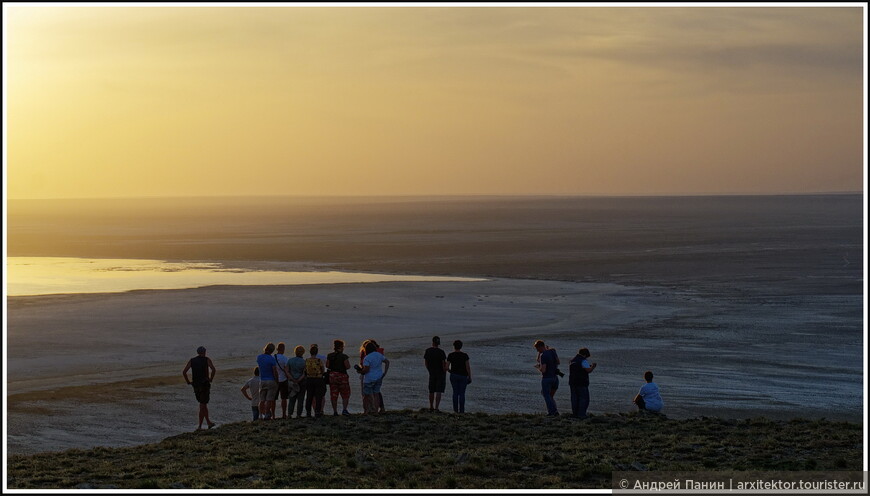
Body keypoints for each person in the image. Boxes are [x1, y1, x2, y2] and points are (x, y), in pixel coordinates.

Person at [182, 345, 217, 430]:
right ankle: (200, 426)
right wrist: (211, 379)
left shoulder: (192, 360)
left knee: (203, 404)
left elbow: (184, 372)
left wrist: (188, 382)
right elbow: (213, 369)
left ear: (197, 352)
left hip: (196, 385)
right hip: (204, 384)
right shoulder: (206, 359)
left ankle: (208, 423)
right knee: (202, 404)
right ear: (204, 352)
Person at [360, 341, 390, 414]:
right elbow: (387, 362)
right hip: (379, 377)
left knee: (366, 395)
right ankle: (375, 410)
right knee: (376, 394)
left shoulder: (367, 358)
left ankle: (366, 411)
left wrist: (361, 371)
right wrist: (385, 372)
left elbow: (367, 369)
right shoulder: (379, 355)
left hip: (369, 379)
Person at [533, 340, 560, 416]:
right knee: (550, 396)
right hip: (555, 378)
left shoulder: (544, 355)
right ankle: (555, 410)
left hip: (547, 378)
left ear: (540, 347)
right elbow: (558, 362)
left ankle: (552, 412)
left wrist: (539, 368)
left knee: (546, 395)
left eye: (537, 349)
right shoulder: (552, 352)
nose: (537, 350)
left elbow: (543, 370)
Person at [569, 348, 596, 419]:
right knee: (583, 399)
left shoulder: (572, 360)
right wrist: (593, 366)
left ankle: (575, 413)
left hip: (573, 382)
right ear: (585, 355)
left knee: (574, 399)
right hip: (582, 382)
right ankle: (581, 414)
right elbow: (588, 370)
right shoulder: (583, 361)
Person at [327, 339, 352, 416]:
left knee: (334, 394)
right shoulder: (344, 356)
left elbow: (327, 366)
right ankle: (344, 410)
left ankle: (335, 411)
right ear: (341, 347)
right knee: (345, 393)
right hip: (342, 376)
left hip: (332, 376)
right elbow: (348, 366)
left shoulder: (330, 355)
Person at [423, 336, 448, 412]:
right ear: (438, 343)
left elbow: (426, 362)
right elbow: (443, 364)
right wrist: (445, 370)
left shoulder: (428, 351)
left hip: (432, 372)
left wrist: (429, 370)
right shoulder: (441, 352)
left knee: (431, 390)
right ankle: (436, 407)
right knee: (438, 391)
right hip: (440, 373)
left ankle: (431, 406)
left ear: (432, 342)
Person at [446, 340, 472, 414]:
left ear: (454, 346)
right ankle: (462, 411)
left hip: (454, 375)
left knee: (455, 393)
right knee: (462, 393)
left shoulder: (451, 355)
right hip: (463, 376)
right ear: (461, 346)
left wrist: (451, 371)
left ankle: (455, 410)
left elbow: (446, 367)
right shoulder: (465, 355)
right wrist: (469, 377)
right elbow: (468, 367)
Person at [256, 342, 280, 420]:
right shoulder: (272, 359)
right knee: (269, 399)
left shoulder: (259, 357)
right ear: (272, 351)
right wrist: (277, 381)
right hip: (271, 380)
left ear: (265, 348)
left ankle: (260, 415)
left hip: (262, 380)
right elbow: (274, 371)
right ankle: (267, 414)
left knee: (262, 400)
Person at [305, 344, 326, 417]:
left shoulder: (307, 360)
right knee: (318, 396)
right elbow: (322, 370)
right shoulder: (319, 360)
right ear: (317, 352)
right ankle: (317, 411)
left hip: (309, 379)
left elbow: (305, 370)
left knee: (309, 396)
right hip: (318, 379)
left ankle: (308, 412)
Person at [287, 345, 307, 418]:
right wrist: (299, 380)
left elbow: (287, 371)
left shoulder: (290, 360)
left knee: (292, 398)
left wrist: (292, 379)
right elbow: (304, 373)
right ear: (303, 353)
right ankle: (299, 414)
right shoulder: (304, 362)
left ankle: (289, 414)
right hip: (301, 382)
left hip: (292, 382)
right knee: (300, 399)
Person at [275, 342, 291, 419]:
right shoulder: (285, 358)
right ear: (283, 349)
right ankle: (284, 414)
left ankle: (273, 415)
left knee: (273, 399)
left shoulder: (273, 357)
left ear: (277, 349)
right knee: (284, 398)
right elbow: (286, 370)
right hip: (283, 379)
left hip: (275, 380)